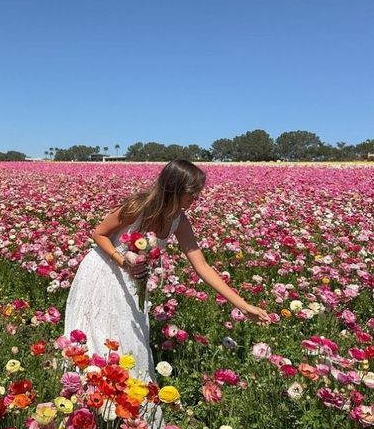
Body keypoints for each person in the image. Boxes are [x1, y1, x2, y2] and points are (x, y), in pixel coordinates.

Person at [64, 159, 271, 381]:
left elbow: (202, 266)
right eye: (192, 193)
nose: (196, 199)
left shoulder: (179, 221)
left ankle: (126, 400)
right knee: (100, 334)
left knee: (130, 339)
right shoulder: (137, 207)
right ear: (175, 189)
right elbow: (99, 234)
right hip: (104, 270)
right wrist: (122, 260)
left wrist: (242, 305)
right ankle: (88, 392)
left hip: (134, 279)